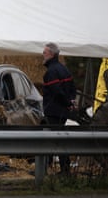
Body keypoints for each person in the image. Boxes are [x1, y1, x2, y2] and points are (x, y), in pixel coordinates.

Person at [42, 42, 77, 175]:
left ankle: (63, 169)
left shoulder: (51, 71)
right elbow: (72, 88)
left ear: (51, 54)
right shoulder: (64, 69)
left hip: (53, 110)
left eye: (44, 53)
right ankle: (58, 167)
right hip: (62, 111)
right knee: (59, 139)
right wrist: (71, 101)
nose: (43, 55)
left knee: (56, 140)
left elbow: (56, 91)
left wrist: (67, 102)